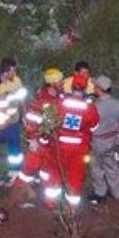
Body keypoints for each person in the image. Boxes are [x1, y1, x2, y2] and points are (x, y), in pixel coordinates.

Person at [41, 74, 99, 208]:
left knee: (55, 173)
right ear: (85, 89)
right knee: (75, 176)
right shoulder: (89, 108)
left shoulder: (60, 103)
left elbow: (49, 122)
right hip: (79, 148)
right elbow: (94, 127)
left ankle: (51, 204)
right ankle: (71, 208)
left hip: (59, 145)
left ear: (72, 87)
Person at [16, 68, 64, 187]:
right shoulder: (41, 100)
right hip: (39, 143)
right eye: (60, 81)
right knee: (28, 169)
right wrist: (32, 140)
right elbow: (31, 120)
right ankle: (18, 191)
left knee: (49, 173)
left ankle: (46, 196)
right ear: (52, 84)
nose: (62, 83)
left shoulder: (60, 98)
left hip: (54, 143)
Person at [88, 76, 119, 204]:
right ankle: (117, 193)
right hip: (112, 139)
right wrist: (118, 135)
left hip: (97, 141)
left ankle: (100, 192)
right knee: (111, 166)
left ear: (99, 89)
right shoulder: (118, 104)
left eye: (95, 86)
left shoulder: (94, 106)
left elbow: (89, 125)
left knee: (96, 168)